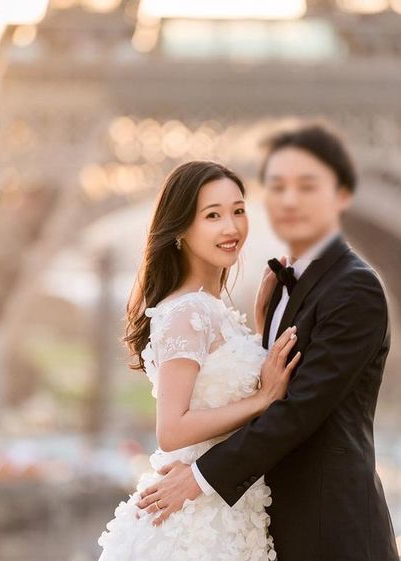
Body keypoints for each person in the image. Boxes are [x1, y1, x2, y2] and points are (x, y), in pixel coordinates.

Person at [136, 123, 401, 561]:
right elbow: (247, 397)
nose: (289, 201)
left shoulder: (353, 288)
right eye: (277, 188)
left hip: (326, 529)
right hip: (235, 521)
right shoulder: (258, 293)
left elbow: (299, 407)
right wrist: (261, 381)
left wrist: (200, 476)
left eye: (238, 210)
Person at [96, 159, 299, 560]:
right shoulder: (190, 312)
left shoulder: (211, 310)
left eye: (238, 211)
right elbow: (172, 429)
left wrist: (261, 325)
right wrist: (262, 400)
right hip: (196, 524)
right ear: (181, 230)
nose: (232, 227)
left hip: (224, 512)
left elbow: (220, 380)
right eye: (212, 216)